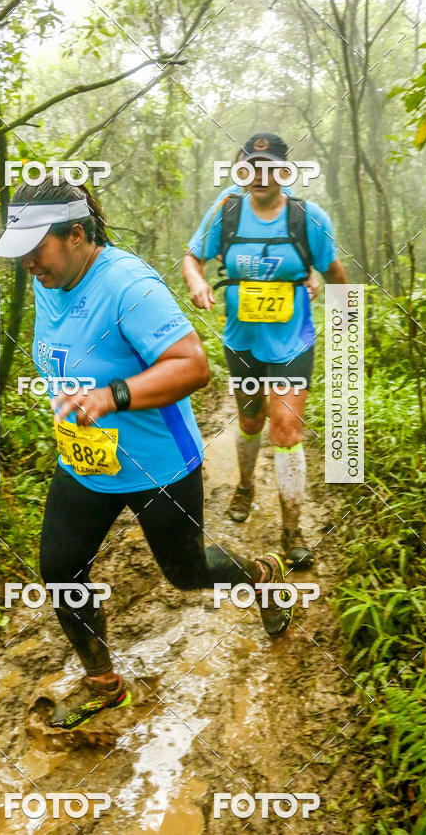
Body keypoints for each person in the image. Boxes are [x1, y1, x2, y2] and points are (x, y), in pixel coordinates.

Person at [0, 175, 293, 731]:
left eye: (36, 250)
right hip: (85, 462)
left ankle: (261, 574)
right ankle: (103, 684)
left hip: (159, 467)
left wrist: (112, 396)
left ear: (76, 235)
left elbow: (193, 366)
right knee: (60, 571)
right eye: (23, 255)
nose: (29, 264)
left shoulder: (130, 286)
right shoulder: (47, 279)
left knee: (187, 572)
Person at [182, 132, 348, 568]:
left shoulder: (308, 218)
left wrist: (346, 321)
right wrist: (198, 281)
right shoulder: (226, 211)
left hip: (293, 341)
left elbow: (334, 272)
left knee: (286, 429)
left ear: (284, 171)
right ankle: (245, 486)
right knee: (251, 420)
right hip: (242, 340)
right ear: (241, 170)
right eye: (251, 166)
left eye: (270, 166)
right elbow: (191, 257)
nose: (260, 175)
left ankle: (292, 531)